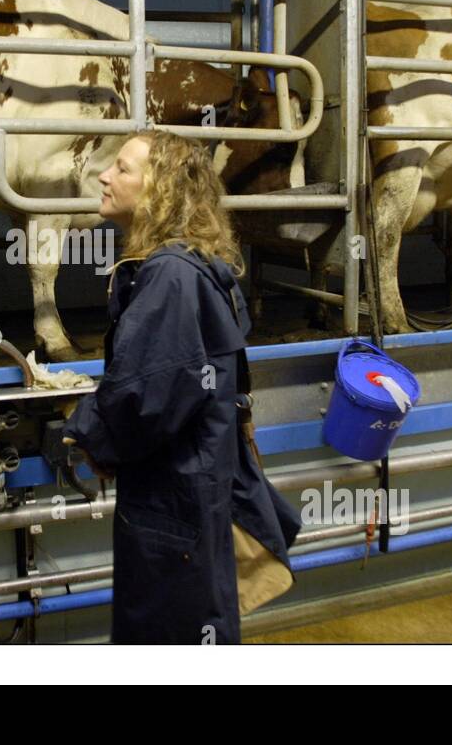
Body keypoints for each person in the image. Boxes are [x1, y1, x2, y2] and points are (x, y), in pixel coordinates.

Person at [62, 130, 301, 644]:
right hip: (196, 496)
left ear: (160, 189)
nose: (105, 175)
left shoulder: (168, 275)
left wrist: (82, 430)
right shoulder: (196, 265)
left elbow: (145, 398)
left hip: (173, 508)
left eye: (123, 168)